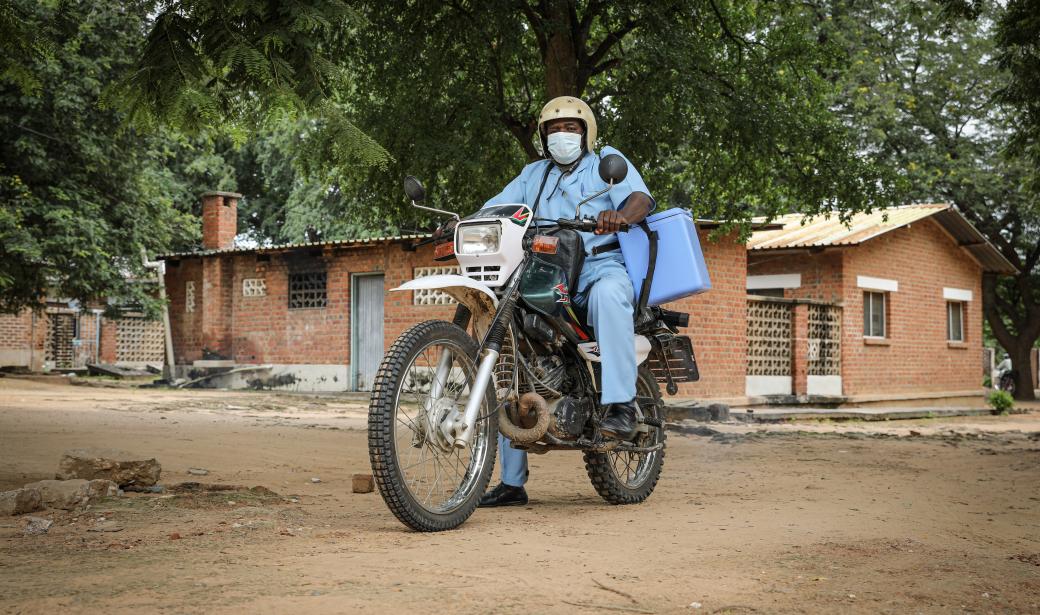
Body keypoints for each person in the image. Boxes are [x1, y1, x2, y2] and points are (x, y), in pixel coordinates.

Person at [478, 96, 655, 507]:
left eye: (571, 129)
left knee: (611, 294)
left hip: (597, 264)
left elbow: (640, 200)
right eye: (554, 130)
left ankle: (622, 405)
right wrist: (462, 221)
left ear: (586, 132)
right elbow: (497, 206)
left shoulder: (606, 163)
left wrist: (620, 216)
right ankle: (512, 482)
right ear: (543, 137)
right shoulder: (533, 174)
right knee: (512, 346)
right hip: (544, 268)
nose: (563, 136)